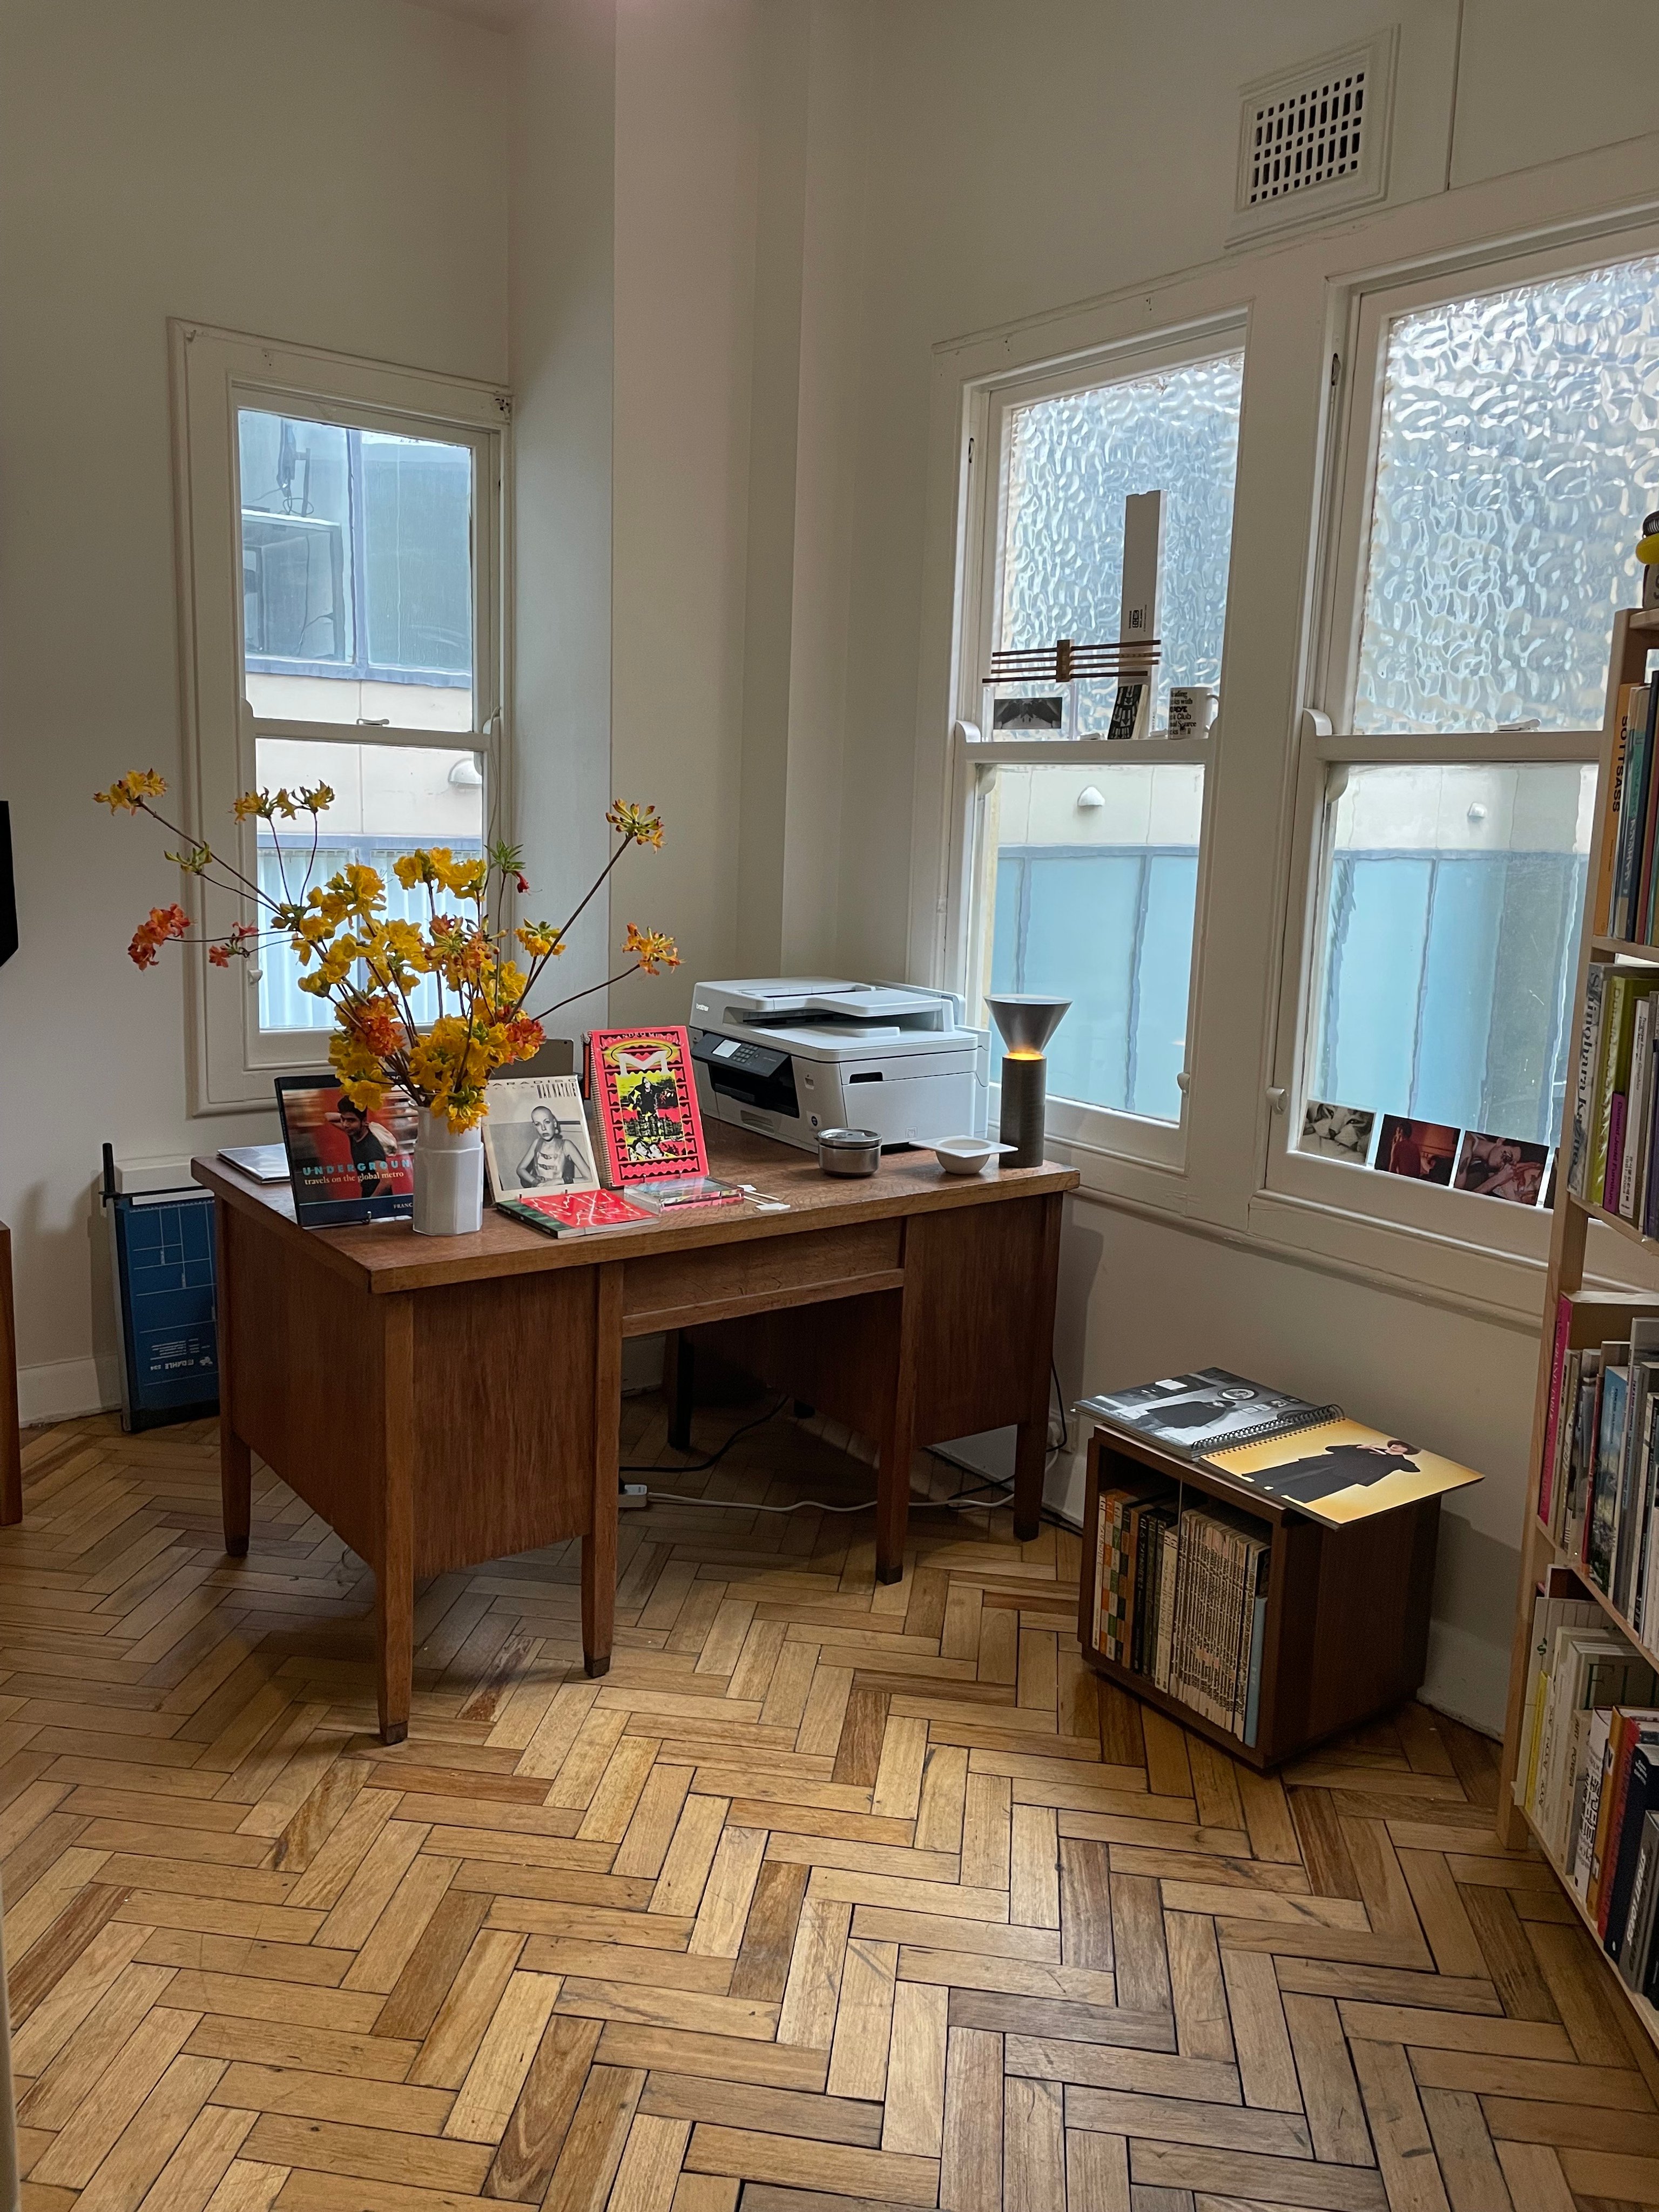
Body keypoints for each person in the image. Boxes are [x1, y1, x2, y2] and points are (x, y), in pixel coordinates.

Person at [1260, 1437, 1419, 1505]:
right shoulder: (1370, 1448)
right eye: (1396, 1444)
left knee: (1303, 1487)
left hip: (1346, 1475)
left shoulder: (1399, 1462)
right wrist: (1358, 1447)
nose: (1396, 1446)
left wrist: (1395, 1459)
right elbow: (1332, 1448)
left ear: (1406, 1450)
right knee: (1284, 1474)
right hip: (1327, 1463)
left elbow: (1413, 1470)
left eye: (1401, 1446)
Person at [331, 1098, 404, 1199]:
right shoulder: (354, 1134)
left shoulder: (371, 1147)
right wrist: (349, 1116)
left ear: (364, 1121)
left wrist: (369, 1203)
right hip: (367, 1194)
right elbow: (328, 1117)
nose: (345, 1125)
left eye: (351, 1121)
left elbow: (386, 1182)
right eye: (343, 1120)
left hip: (380, 1203)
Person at [517, 1104, 582, 1189]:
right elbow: (520, 1169)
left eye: (547, 1122)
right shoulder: (536, 1143)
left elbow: (590, 1178)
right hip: (539, 1193)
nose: (543, 1128)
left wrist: (558, 1181)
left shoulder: (567, 1145)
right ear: (534, 1126)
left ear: (554, 1124)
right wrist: (536, 1182)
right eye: (538, 1124)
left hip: (560, 1194)